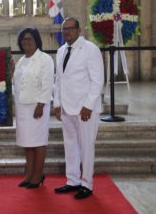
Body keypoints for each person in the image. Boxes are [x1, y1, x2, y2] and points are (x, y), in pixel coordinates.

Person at [53, 17, 104, 199]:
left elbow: (98, 80)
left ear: (79, 29)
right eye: (64, 29)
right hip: (66, 108)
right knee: (70, 146)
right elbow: (58, 80)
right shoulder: (60, 51)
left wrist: (88, 106)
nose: (66, 32)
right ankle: (72, 180)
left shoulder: (91, 49)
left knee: (86, 147)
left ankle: (87, 184)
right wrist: (57, 103)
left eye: (70, 29)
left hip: (85, 109)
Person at [12, 28, 54, 188]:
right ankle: (29, 174)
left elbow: (47, 84)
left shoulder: (45, 59)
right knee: (27, 143)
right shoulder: (22, 60)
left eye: (29, 39)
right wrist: (11, 71)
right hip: (23, 107)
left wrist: (41, 105)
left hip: (37, 106)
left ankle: (38, 175)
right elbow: (18, 83)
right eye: (23, 40)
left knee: (38, 142)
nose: (26, 42)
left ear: (37, 40)